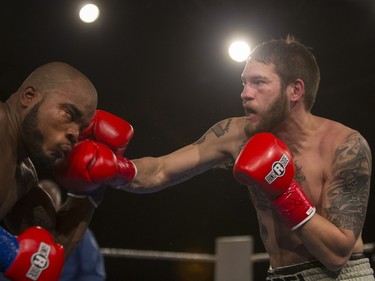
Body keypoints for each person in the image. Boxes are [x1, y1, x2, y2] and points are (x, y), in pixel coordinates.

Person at [114, 36, 374, 280]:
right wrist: (116, 169)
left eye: (259, 82)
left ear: (294, 90)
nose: (245, 93)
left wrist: (284, 192)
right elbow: (160, 171)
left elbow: (337, 255)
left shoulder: (344, 145)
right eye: (244, 82)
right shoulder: (236, 134)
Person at [0, 61, 112, 280]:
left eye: (82, 128)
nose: (74, 134)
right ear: (29, 96)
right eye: (69, 114)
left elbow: (46, 258)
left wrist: (88, 190)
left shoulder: (23, 177)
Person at [39, 179, 106, 281]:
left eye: (51, 202)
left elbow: (94, 274)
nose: (46, 208)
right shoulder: (19, 229)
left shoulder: (80, 232)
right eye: (41, 203)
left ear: (59, 205)